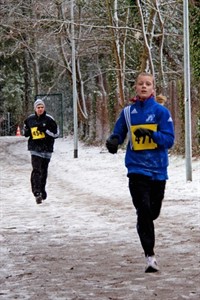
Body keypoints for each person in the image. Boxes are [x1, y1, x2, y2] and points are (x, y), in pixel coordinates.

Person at [106, 72, 175, 273]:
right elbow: (118, 133)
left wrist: (152, 134)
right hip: (136, 168)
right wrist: (113, 141)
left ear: (153, 88)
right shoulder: (128, 112)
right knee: (143, 210)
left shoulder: (161, 112)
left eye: (148, 84)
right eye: (140, 84)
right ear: (135, 87)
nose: (144, 87)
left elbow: (169, 140)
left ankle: (146, 232)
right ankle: (150, 256)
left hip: (158, 170)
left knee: (152, 212)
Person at [24, 99, 59, 204]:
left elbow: (56, 134)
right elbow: (24, 132)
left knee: (44, 171)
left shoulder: (49, 120)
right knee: (36, 170)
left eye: (42, 107)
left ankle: (42, 189)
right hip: (35, 149)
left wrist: (45, 131)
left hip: (47, 149)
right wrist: (27, 132)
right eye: (38, 107)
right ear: (35, 108)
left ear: (44, 108)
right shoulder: (30, 119)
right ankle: (37, 192)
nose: (40, 109)